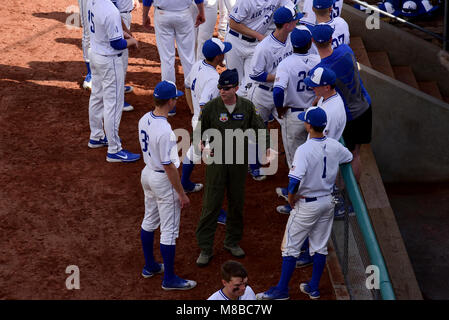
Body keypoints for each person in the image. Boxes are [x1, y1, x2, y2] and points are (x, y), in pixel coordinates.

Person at [256, 107, 353, 300]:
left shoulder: (304, 149)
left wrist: (291, 198)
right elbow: (348, 157)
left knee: (290, 247)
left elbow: (294, 180)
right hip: (327, 202)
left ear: (309, 125)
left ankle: (282, 290)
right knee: (319, 246)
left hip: (307, 205)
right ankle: (313, 287)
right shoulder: (335, 145)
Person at [195, 69, 271, 267]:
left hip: (238, 162)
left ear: (236, 87)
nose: (222, 91)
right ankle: (205, 247)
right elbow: (199, 135)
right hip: (216, 163)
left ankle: (232, 241)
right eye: (220, 87)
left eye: (227, 88)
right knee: (211, 203)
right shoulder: (211, 107)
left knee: (236, 202)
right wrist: (203, 146)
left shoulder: (246, 106)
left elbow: (260, 128)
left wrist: (266, 149)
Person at [138, 80, 197, 291]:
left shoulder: (144, 118)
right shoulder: (165, 131)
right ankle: (169, 279)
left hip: (147, 174)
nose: (176, 100)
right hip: (162, 180)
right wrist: (181, 194)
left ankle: (150, 266)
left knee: (149, 220)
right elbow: (169, 167)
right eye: (175, 98)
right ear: (170, 101)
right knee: (169, 231)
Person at [310, 24, 372, 182]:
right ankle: (353, 192)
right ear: (331, 39)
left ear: (313, 41)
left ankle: (345, 194)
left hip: (348, 116)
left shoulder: (320, 70)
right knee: (356, 154)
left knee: (342, 156)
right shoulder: (346, 49)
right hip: (365, 107)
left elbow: (318, 95)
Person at [247, 5, 300, 181]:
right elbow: (255, 74)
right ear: (287, 25)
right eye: (295, 20)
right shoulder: (264, 47)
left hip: (283, 94)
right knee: (258, 130)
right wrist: (279, 77)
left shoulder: (293, 39)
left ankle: (294, 168)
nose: (297, 21)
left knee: (289, 128)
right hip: (262, 94)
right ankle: (254, 165)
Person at [273, 26, 320, 215]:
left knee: (295, 164)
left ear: (292, 45)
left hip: (293, 116)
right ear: (310, 43)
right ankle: (296, 195)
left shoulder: (286, 63)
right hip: (314, 116)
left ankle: (295, 204)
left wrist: (279, 108)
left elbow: (277, 91)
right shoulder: (318, 61)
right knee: (312, 159)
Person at [87, 0, 141, 163]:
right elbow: (117, 44)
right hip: (109, 60)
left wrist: (122, 34)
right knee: (114, 103)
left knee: (97, 96)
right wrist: (132, 42)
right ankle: (114, 149)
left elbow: (107, 29)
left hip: (95, 54)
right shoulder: (111, 10)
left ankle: (96, 136)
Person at [181, 38, 232, 193]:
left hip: (197, 119)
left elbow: (187, 86)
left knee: (193, 151)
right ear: (217, 57)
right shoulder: (213, 78)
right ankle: (215, 204)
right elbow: (204, 105)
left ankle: (184, 184)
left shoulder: (197, 65)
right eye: (223, 52)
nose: (224, 54)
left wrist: (191, 109)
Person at [142, 0, 206, 116]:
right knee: (188, 59)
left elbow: (147, 0)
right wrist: (201, 11)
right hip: (184, 14)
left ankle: (168, 103)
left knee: (167, 60)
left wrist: (145, 16)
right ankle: (195, 101)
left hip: (163, 15)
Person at [224, 0, 295, 97]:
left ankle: (242, 109)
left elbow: (292, 9)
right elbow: (233, 23)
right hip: (236, 41)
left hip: (255, 44)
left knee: (249, 85)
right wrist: (259, 35)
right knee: (233, 81)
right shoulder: (245, 2)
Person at [112, 0, 139, 111]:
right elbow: (113, 7)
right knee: (120, 60)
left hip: (123, 13)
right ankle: (118, 100)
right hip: (119, 16)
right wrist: (127, 31)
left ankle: (119, 89)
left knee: (122, 58)